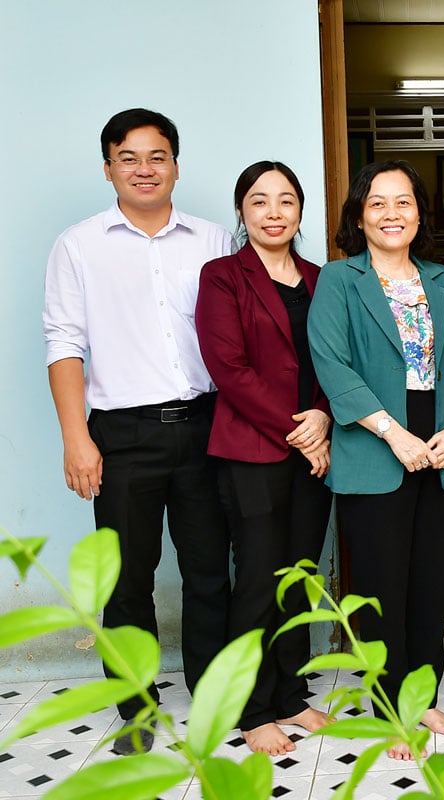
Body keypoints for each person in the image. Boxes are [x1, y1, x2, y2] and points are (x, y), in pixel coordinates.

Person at [42, 108, 233, 754]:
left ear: (176, 165)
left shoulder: (212, 240)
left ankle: (211, 692)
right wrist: (77, 437)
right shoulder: (78, 245)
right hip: (122, 434)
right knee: (128, 581)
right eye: (129, 158)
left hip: (206, 425)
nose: (144, 169)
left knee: (209, 570)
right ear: (108, 169)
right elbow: (64, 342)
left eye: (157, 157)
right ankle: (137, 709)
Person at [307, 160, 444, 761]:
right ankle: (390, 711)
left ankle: (423, 698)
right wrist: (393, 433)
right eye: (377, 203)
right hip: (375, 446)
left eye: (403, 202)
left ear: (419, 213)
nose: (391, 214)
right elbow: (333, 365)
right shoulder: (339, 278)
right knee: (382, 587)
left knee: (431, 582)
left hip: (440, 445)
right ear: (359, 216)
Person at [195, 161, 333, 756]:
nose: (273, 212)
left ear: (300, 210)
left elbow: (336, 361)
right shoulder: (223, 276)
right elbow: (228, 369)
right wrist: (300, 431)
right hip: (253, 450)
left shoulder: (321, 278)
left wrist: (323, 417)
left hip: (316, 447)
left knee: (299, 575)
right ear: (242, 211)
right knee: (257, 578)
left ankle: (291, 696)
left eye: (285, 201)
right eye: (259, 201)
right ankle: (252, 710)